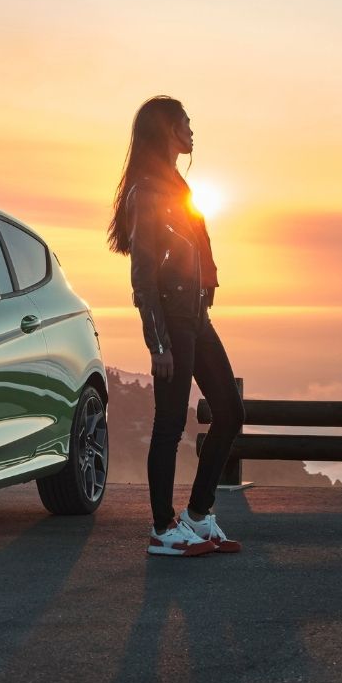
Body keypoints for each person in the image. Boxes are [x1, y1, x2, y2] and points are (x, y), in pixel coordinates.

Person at [107, 96, 246, 557]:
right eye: (186, 123)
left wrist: (209, 283)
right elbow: (142, 277)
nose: (191, 131)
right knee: (168, 425)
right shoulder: (147, 191)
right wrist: (158, 342)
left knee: (229, 410)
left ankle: (199, 517)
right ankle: (163, 529)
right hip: (171, 320)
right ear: (167, 128)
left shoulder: (174, 184)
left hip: (195, 317)